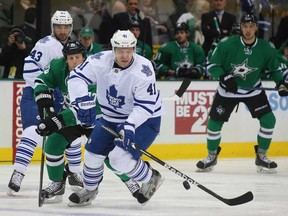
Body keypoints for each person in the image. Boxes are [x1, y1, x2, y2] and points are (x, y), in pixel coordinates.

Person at [67, 30, 164, 206]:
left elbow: (145, 107)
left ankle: (151, 177)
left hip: (144, 120)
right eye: (120, 51)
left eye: (129, 51)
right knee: (91, 155)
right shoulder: (99, 61)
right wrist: (81, 100)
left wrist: (130, 125)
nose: (125, 55)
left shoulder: (144, 69)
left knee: (119, 159)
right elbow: (75, 77)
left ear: (134, 49)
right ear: (113, 49)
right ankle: (89, 189)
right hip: (110, 117)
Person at [196, 14, 288, 174]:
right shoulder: (227, 45)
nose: (248, 30)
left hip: (253, 89)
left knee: (269, 120)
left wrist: (280, 83)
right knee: (214, 123)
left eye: (251, 26)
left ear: (256, 28)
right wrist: (224, 77)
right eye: (245, 26)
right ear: (241, 27)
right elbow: (211, 65)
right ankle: (211, 156)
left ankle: (261, 156)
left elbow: (274, 70)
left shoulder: (266, 47)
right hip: (227, 92)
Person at [7, 10, 81, 195]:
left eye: (65, 27)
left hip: (59, 95)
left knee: (71, 133)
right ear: (52, 27)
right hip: (36, 93)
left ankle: (73, 172)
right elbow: (30, 71)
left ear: (70, 27)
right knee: (33, 131)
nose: (62, 30)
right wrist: (45, 94)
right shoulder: (45, 44)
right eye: (58, 26)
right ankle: (18, 173)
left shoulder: (73, 47)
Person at [0, 7, 36, 79]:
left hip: (24, 75)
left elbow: (38, 60)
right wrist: (9, 44)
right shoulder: (14, 32)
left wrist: (25, 49)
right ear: (36, 19)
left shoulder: (37, 34)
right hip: (15, 74)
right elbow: (2, 61)